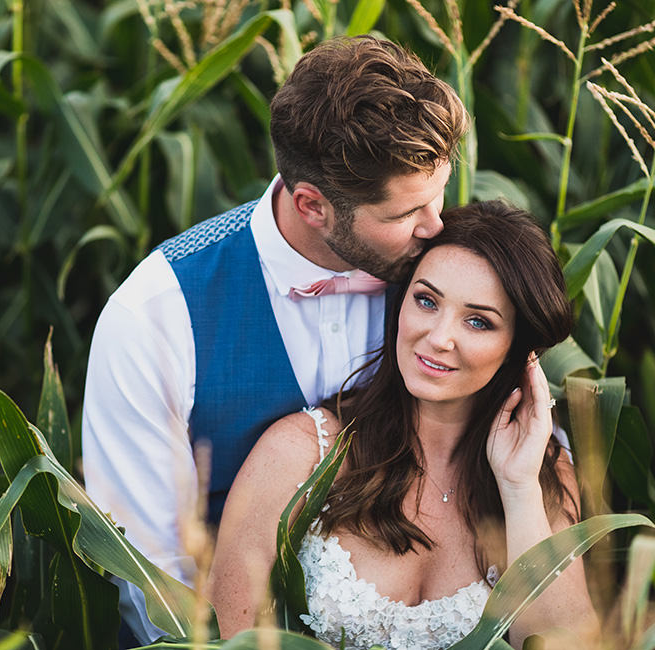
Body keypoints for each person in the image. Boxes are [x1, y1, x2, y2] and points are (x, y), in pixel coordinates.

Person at [81, 35, 467, 643]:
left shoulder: (450, 276)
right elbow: (149, 576)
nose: (437, 225)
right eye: (402, 215)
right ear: (312, 204)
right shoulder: (155, 313)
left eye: (439, 194)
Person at [207, 201, 598, 649]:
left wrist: (519, 486)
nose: (437, 338)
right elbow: (227, 639)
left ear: (517, 348)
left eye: (477, 321)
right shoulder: (302, 454)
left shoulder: (543, 472)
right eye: (426, 301)